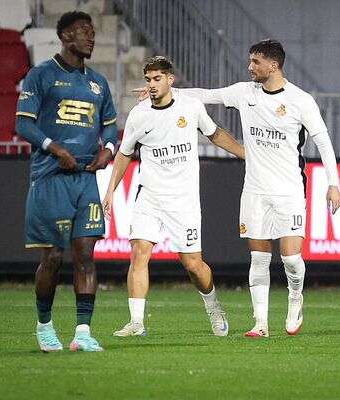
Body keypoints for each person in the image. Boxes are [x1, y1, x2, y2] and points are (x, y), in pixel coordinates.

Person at [137, 39, 340, 337]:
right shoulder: (245, 92)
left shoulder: (300, 100)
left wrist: (333, 183)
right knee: (258, 258)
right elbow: (207, 95)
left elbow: (323, 141)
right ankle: (260, 323)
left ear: (273, 65)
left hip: (289, 190)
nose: (250, 67)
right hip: (255, 190)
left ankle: (295, 296)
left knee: (290, 258)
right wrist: (166, 91)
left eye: (256, 62)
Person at [103, 56, 245, 337]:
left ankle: (213, 306)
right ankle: (136, 322)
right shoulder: (139, 114)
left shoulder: (190, 107)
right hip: (150, 195)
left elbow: (214, 134)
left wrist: (245, 154)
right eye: (148, 80)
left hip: (183, 200)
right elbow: (124, 153)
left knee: (193, 265)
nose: (152, 85)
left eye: (157, 79)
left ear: (170, 80)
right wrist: (110, 190)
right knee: (139, 253)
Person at [15, 11, 118, 352]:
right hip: (51, 177)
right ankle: (44, 326)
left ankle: (83, 333)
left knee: (86, 254)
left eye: (92, 31)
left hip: (86, 179)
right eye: (84, 31)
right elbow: (24, 124)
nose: (91, 37)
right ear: (65, 36)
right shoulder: (41, 74)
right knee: (53, 258)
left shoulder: (98, 83)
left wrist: (109, 150)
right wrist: (54, 147)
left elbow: (109, 126)